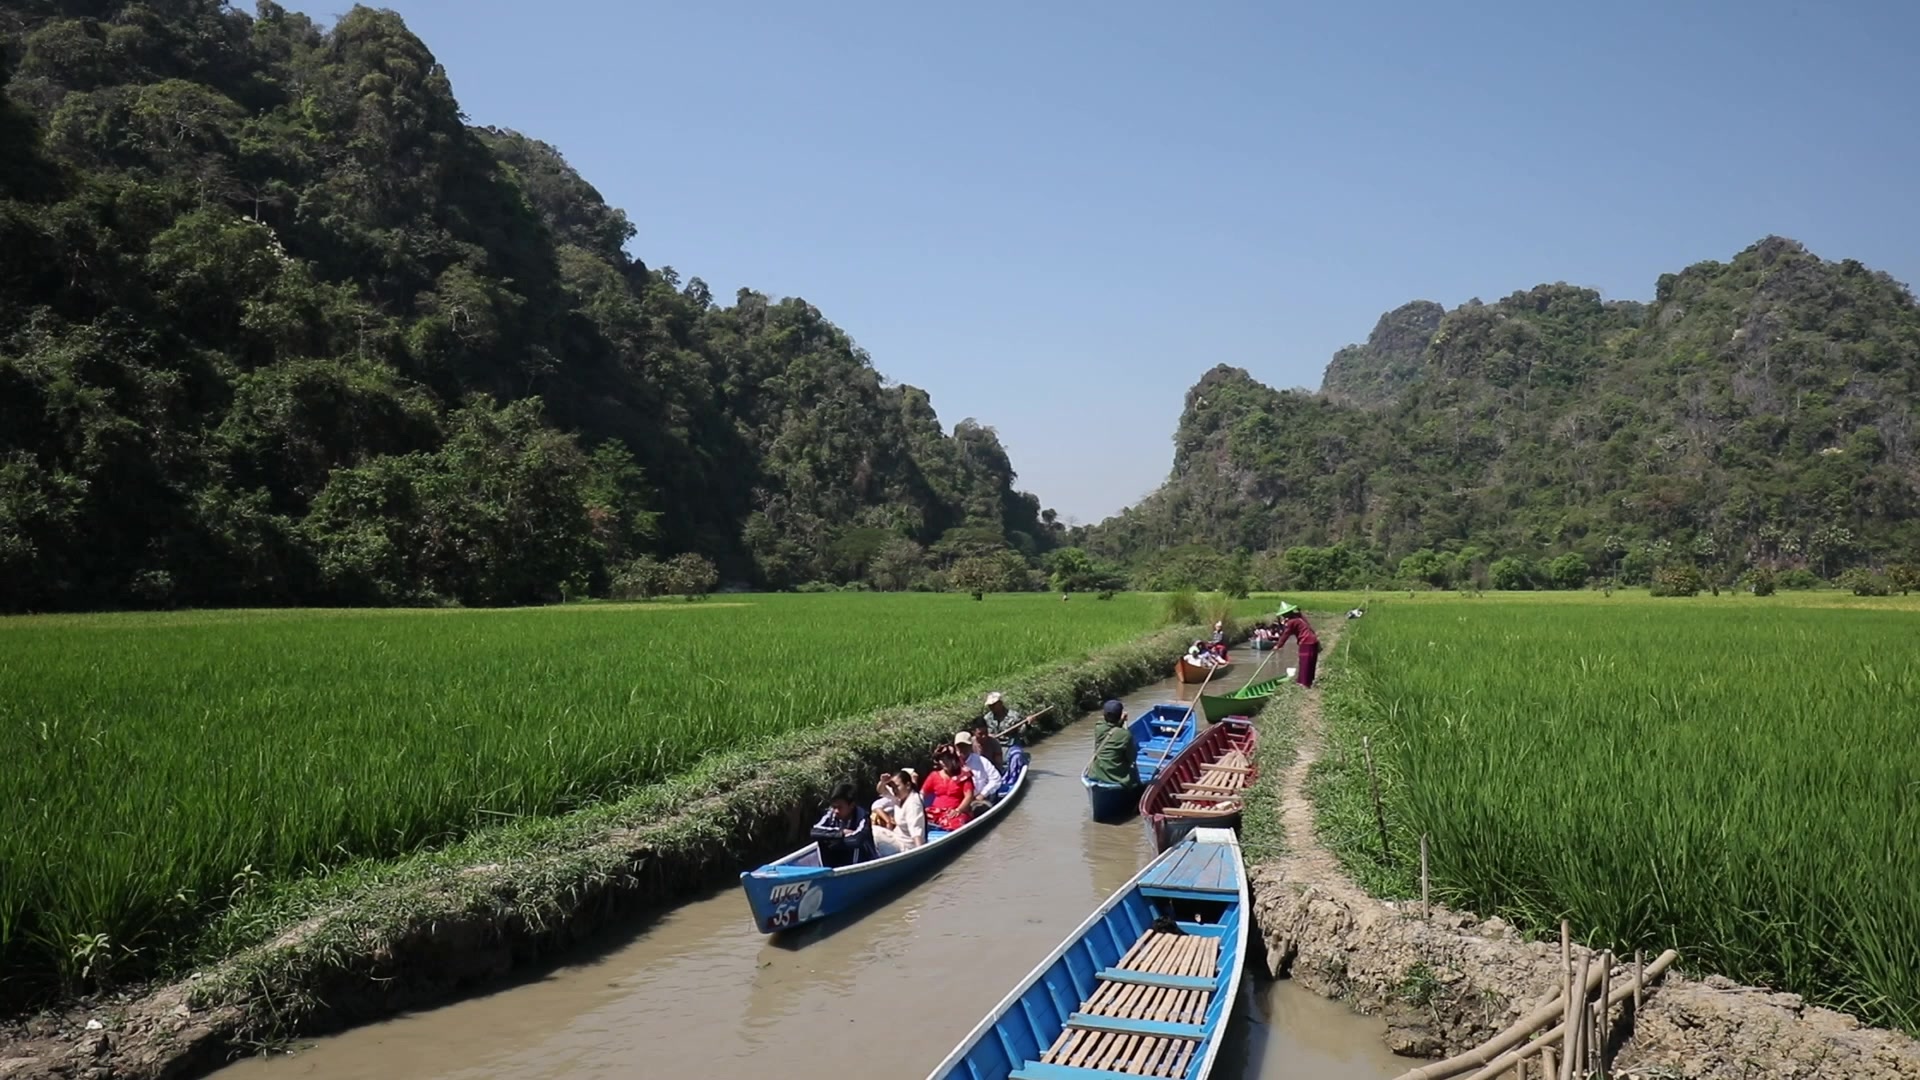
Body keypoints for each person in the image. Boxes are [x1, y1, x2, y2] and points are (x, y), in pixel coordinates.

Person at [810, 783, 876, 866]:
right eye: (834, 807)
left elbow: (857, 840)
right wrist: (841, 833)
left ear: (851, 805)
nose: (836, 811)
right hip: (838, 857)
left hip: (862, 859)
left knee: (856, 846)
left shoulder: (863, 817)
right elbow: (814, 831)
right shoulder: (830, 815)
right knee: (822, 842)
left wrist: (831, 841)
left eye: (840, 807)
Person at [1086, 699, 1139, 788]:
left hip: (1095, 774)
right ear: (1119, 715)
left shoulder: (1099, 727)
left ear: (1104, 715)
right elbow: (1132, 757)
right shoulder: (1126, 735)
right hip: (1116, 778)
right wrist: (1122, 720)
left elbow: (1111, 729)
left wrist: (1121, 720)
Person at [922, 745, 975, 830]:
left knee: (954, 822)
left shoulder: (963, 775)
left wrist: (958, 810)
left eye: (947, 759)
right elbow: (922, 794)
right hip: (936, 811)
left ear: (954, 759)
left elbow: (969, 796)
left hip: (956, 812)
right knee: (921, 818)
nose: (944, 762)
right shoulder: (934, 775)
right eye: (941, 759)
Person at [873, 768, 926, 855]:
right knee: (871, 829)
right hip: (897, 838)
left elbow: (916, 832)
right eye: (893, 788)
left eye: (897, 787)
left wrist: (920, 854)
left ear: (908, 785)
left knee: (874, 834)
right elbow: (881, 790)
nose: (894, 790)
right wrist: (883, 782)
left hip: (908, 847)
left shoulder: (913, 804)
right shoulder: (899, 797)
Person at [1273, 601, 1321, 688]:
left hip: (1306, 641)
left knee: (1305, 662)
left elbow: (1286, 634)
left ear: (1287, 614)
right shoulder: (1299, 618)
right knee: (1310, 662)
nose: (1283, 616)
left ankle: (1303, 683)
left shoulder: (1292, 622)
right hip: (1312, 640)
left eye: (1284, 615)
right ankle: (1309, 681)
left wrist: (1278, 645)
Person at [954, 729, 1003, 808]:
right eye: (959, 746)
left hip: (978, 800)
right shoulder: (951, 763)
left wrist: (983, 794)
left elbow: (996, 779)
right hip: (957, 801)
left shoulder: (982, 761)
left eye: (965, 746)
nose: (962, 749)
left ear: (970, 746)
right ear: (955, 747)